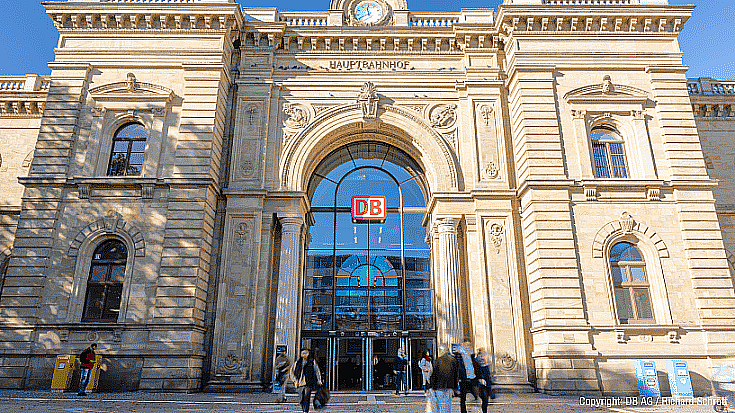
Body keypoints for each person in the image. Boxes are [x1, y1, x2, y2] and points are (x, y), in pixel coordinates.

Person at [290, 348, 322, 413]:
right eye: (303, 353)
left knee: (307, 397)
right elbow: (291, 372)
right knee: (301, 399)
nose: (304, 354)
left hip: (308, 382)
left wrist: (319, 380)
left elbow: (317, 371)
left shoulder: (312, 362)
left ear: (308, 354)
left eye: (306, 353)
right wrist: (294, 380)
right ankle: (303, 408)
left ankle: (305, 411)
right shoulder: (297, 363)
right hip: (300, 383)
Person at [428, 345, 457, 413]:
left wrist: (432, 386)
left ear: (442, 350)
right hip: (449, 385)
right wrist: (455, 387)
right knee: (448, 403)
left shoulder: (438, 360)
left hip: (439, 385)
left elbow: (434, 374)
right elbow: (455, 374)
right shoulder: (453, 360)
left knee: (440, 403)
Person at [455, 338, 479, 413]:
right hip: (463, 377)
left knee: (476, 393)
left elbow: (474, 364)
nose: (468, 346)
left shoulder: (471, 353)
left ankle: (476, 407)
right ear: (463, 344)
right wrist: (458, 378)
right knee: (463, 397)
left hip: (472, 376)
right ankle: (463, 411)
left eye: (469, 345)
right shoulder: (458, 354)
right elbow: (457, 367)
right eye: (467, 344)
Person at [475, 348, 494, 413]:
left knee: (485, 399)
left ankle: (484, 410)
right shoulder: (477, 362)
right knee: (484, 398)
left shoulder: (484, 362)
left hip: (486, 382)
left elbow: (488, 373)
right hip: (481, 382)